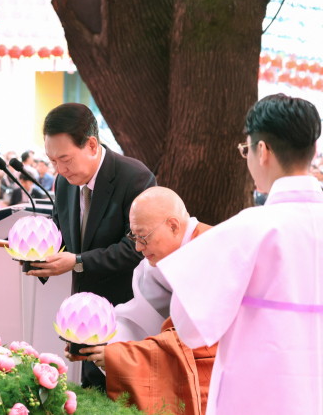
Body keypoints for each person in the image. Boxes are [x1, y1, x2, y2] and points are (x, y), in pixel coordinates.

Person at [155, 94, 323, 415]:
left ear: (262, 151)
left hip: (258, 399)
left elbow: (188, 329)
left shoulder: (248, 229)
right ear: (313, 150)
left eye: (246, 149)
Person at [28, 103, 156, 391]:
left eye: (65, 159)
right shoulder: (63, 182)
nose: (59, 170)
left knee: (122, 398)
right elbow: (59, 237)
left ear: (91, 144)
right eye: (52, 161)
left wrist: (77, 261)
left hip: (126, 313)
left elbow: (134, 247)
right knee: (89, 392)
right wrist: (37, 258)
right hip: (83, 315)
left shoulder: (134, 178)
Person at [75, 187, 216, 415]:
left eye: (143, 236)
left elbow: (194, 348)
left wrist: (118, 356)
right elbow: (139, 317)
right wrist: (99, 340)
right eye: (134, 237)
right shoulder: (160, 258)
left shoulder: (210, 252)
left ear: (173, 225)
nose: (138, 248)